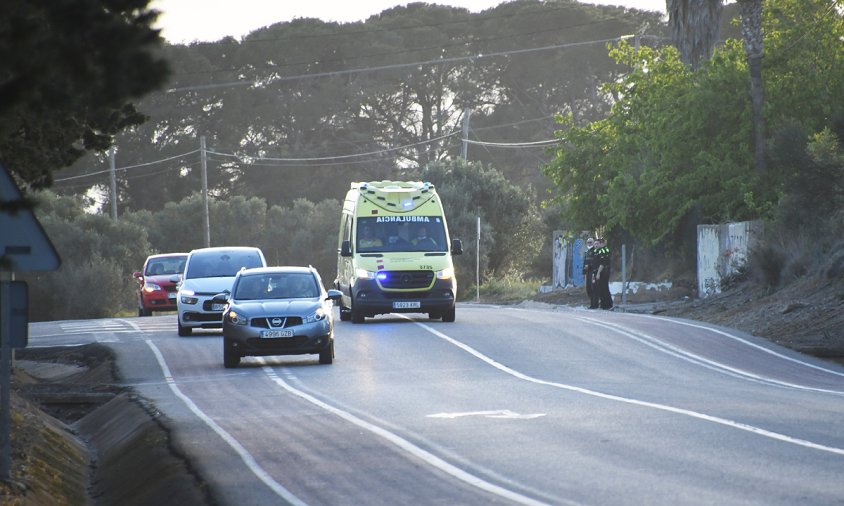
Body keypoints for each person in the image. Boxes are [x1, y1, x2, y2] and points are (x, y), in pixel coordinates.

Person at [592, 237, 613, 310]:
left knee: (604, 288)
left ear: (603, 243)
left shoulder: (603, 250)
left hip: (604, 271)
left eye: (600, 243)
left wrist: (598, 273)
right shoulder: (598, 250)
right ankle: (604, 304)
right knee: (601, 288)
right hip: (601, 271)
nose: (599, 244)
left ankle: (607, 304)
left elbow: (602, 263)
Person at [582, 237, 596, 306]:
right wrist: (583, 272)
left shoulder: (595, 251)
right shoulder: (587, 252)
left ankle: (594, 304)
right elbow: (585, 262)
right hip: (587, 272)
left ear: (593, 243)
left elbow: (595, 262)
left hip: (592, 272)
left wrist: (589, 266)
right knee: (588, 288)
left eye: (590, 242)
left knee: (593, 288)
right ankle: (592, 303)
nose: (589, 243)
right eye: (588, 242)